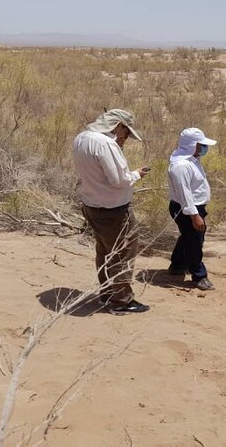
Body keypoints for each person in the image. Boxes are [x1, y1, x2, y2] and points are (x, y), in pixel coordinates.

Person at [73, 109, 151, 314]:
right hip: (113, 210)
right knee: (122, 254)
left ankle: (107, 293)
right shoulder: (106, 143)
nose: (126, 137)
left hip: (92, 205)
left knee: (105, 252)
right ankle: (121, 300)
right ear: (118, 126)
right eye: (126, 132)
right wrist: (136, 174)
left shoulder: (82, 138)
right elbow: (119, 180)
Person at [167, 128, 217, 291]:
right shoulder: (181, 166)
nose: (204, 148)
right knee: (195, 241)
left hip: (193, 207)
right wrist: (194, 215)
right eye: (201, 144)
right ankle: (199, 276)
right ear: (192, 145)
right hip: (187, 208)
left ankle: (178, 265)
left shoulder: (191, 160)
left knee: (189, 237)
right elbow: (184, 193)